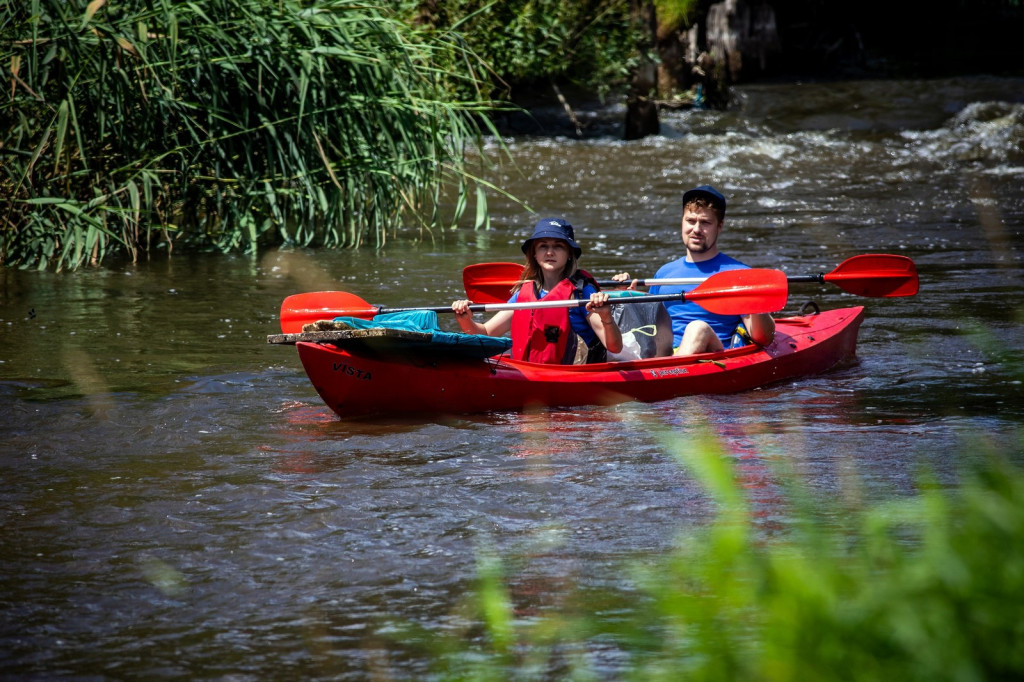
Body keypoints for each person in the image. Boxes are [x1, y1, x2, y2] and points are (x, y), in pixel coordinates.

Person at [616, 185, 775, 355]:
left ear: (719, 227)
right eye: (691, 221)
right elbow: (649, 328)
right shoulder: (664, 273)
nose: (696, 229)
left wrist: (756, 301)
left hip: (713, 356)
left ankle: (668, 372)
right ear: (682, 222)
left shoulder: (739, 275)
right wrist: (629, 299)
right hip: (668, 354)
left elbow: (763, 338)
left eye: (705, 223)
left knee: (697, 328)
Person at [452, 217, 623, 364]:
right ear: (534, 253)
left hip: (575, 373)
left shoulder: (581, 292)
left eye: (558, 246)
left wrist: (606, 316)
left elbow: (615, 347)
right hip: (533, 371)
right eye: (543, 246)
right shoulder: (524, 295)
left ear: (569, 253)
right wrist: (465, 319)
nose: (550, 252)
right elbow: (485, 333)